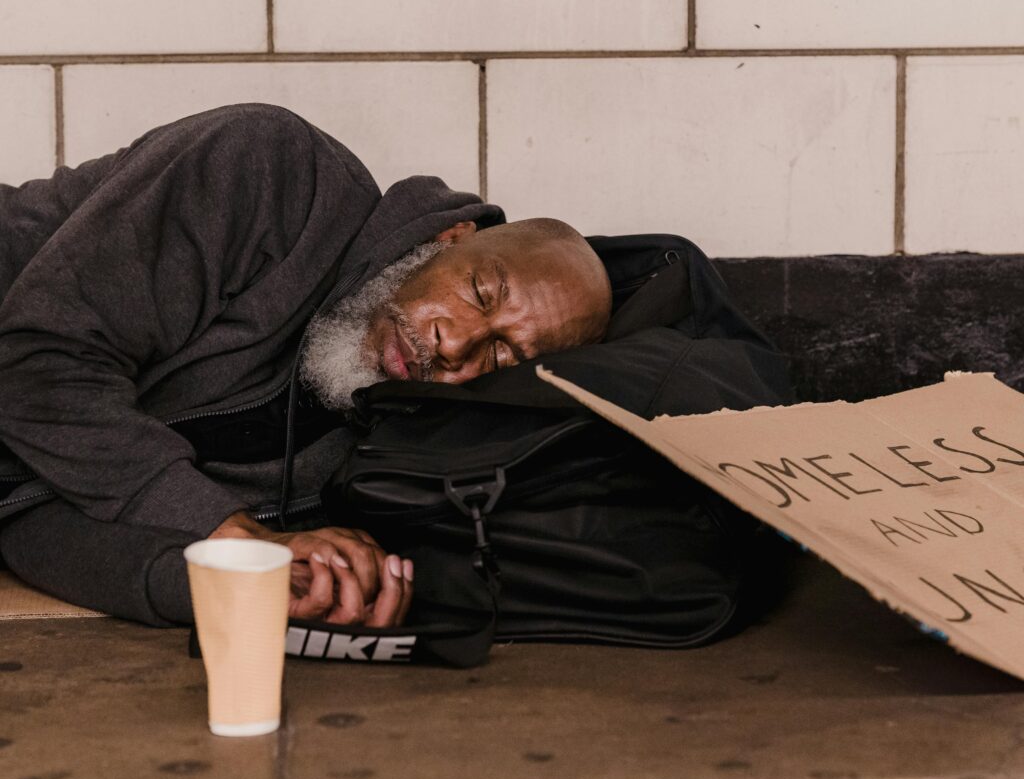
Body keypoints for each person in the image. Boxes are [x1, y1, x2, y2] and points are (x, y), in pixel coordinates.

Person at [0, 104, 613, 629]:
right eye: (480, 293)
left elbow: (32, 513)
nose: (455, 346)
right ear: (454, 237)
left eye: (502, 354)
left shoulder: (368, 451)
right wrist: (227, 531)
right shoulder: (271, 169)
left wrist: (250, 583)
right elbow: (32, 366)